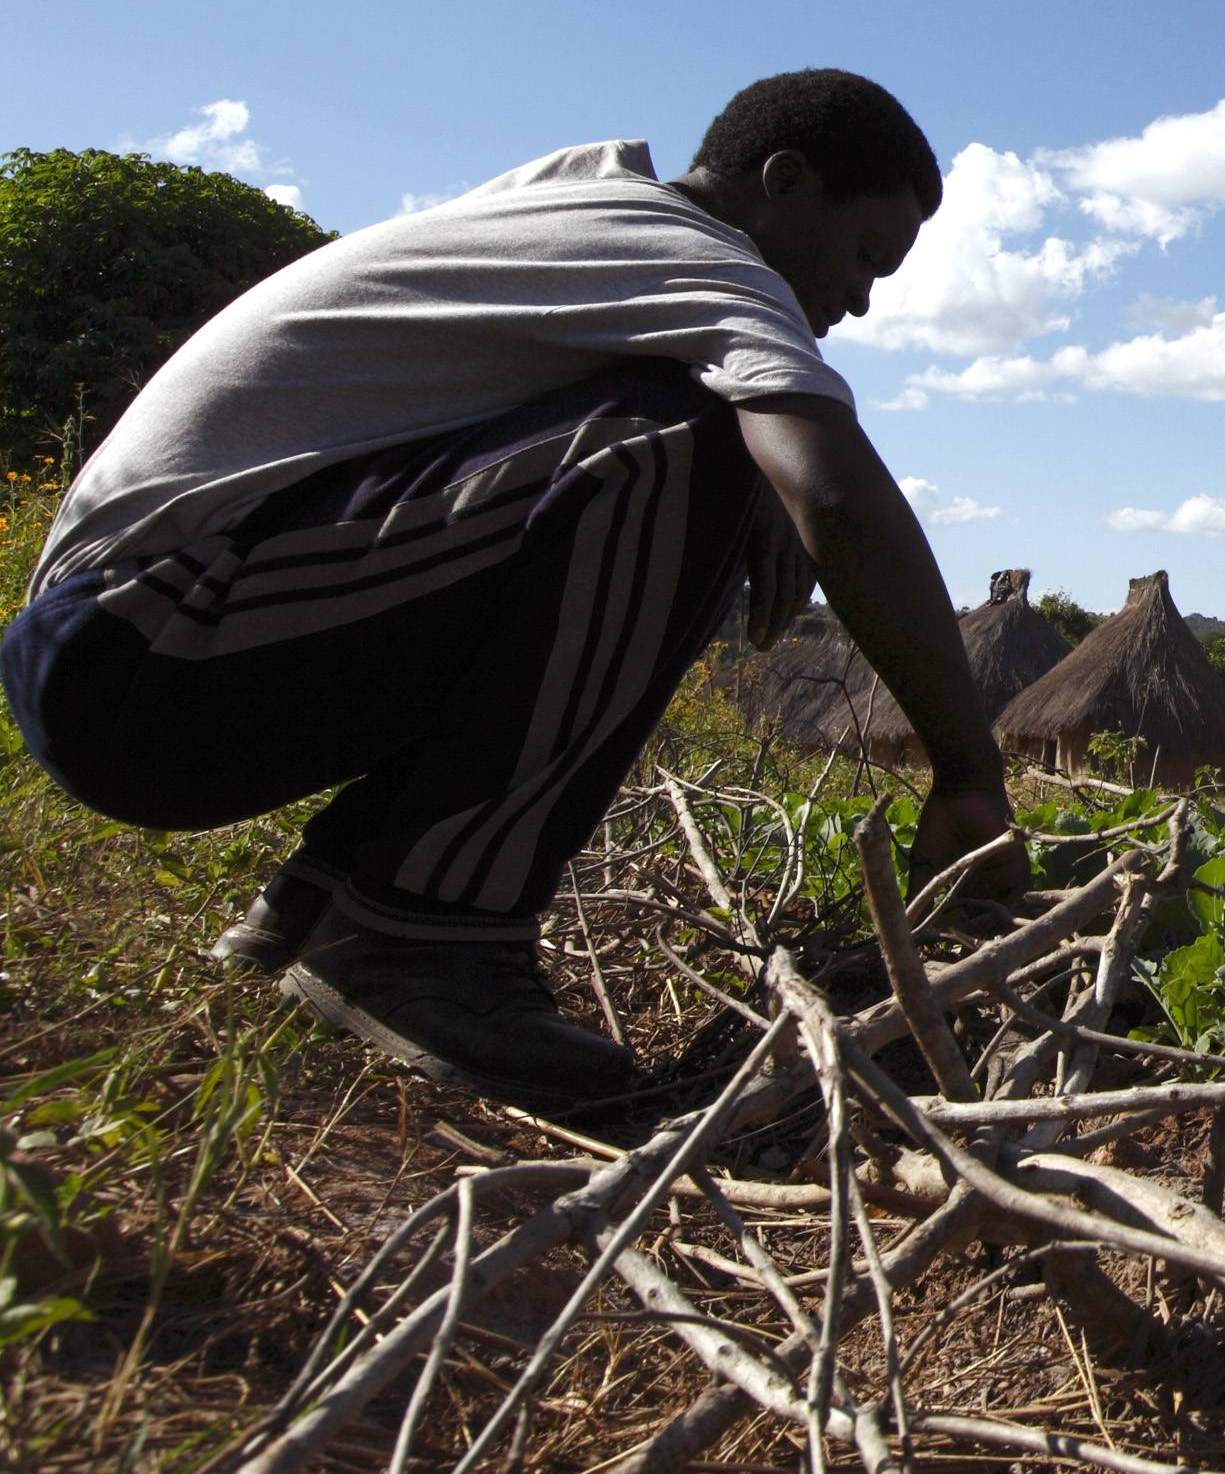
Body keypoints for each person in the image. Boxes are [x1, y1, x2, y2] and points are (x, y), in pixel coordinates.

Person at [0, 71, 1019, 1120]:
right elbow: (839, 496)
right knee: (705, 439)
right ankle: (420, 934)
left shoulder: (580, 198)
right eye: (863, 258)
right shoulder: (704, 258)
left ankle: (322, 903)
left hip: (130, 637)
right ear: (784, 184)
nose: (857, 300)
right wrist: (967, 774)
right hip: (140, 649)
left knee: (713, 431)